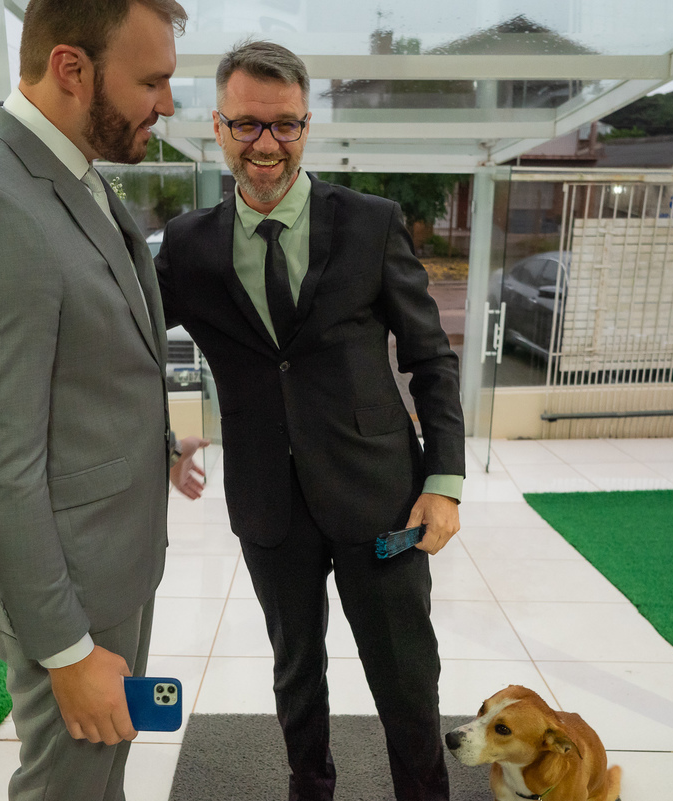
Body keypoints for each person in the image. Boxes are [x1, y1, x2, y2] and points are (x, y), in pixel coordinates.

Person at [155, 41, 465, 801]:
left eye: (285, 125)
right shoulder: (188, 247)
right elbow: (117, 338)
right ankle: (310, 786)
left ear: (306, 125)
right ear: (219, 127)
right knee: (295, 668)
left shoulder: (370, 224)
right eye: (247, 125)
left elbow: (431, 358)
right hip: (267, 500)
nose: (267, 144)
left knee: (405, 670)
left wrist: (445, 480)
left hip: (380, 494)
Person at [0, 1, 203, 800]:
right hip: (65, 582)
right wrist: (67, 650)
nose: (166, 104)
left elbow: (82, 351)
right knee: (67, 786)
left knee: (99, 774)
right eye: (151, 81)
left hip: (107, 554)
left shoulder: (66, 169)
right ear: (71, 68)